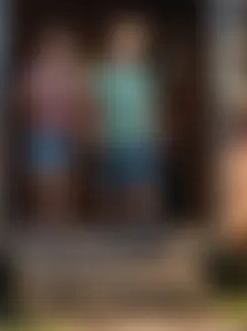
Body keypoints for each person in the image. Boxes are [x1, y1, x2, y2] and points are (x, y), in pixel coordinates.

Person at [93, 17, 161, 226]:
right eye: (122, 41)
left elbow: (153, 109)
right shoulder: (103, 73)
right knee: (110, 186)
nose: (127, 46)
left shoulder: (146, 74)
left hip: (140, 139)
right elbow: (97, 109)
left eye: (133, 42)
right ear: (112, 44)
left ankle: (142, 225)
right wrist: (97, 136)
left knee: (141, 184)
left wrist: (156, 136)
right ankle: (114, 226)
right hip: (111, 138)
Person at [20, 29, 84, 225]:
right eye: (53, 49)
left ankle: (61, 217)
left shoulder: (71, 74)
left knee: (64, 178)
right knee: (44, 178)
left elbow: (80, 103)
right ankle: (45, 217)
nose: (58, 53)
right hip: (42, 133)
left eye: (63, 49)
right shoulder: (36, 73)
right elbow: (25, 100)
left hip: (65, 134)